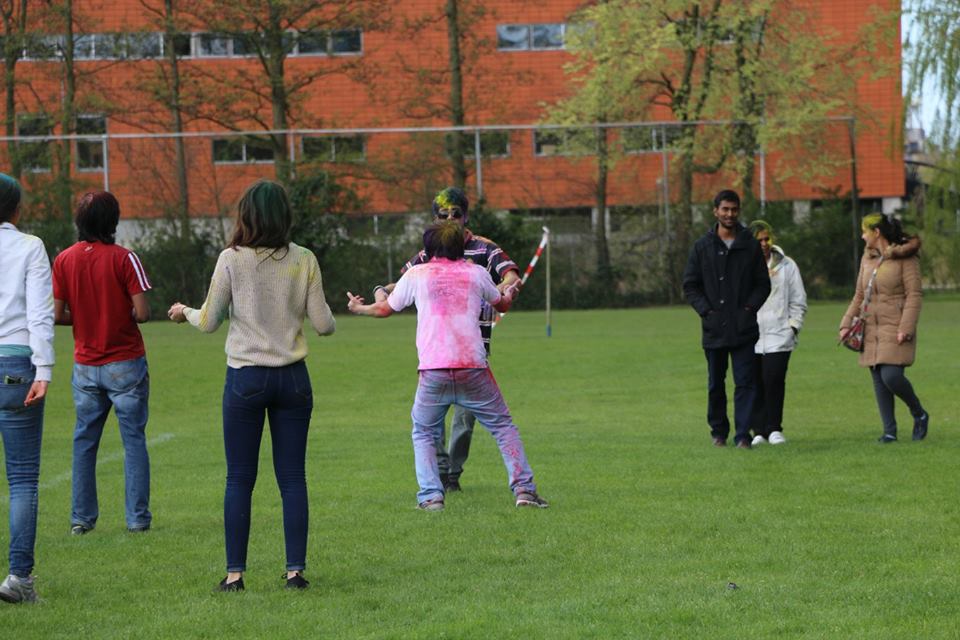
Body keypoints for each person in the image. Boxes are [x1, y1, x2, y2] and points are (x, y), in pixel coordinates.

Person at [167, 180, 335, 592]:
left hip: (245, 377)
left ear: (246, 215)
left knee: (239, 478)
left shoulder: (231, 259)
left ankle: (235, 575)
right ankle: (295, 572)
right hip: (293, 378)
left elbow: (210, 321)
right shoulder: (304, 259)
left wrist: (184, 311)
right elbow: (325, 324)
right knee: (292, 477)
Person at [348, 220, 547, 511]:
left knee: (424, 432)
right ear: (460, 248)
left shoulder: (417, 274)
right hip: (473, 367)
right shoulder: (476, 273)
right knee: (503, 426)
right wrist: (511, 294)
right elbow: (501, 304)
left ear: (428, 248)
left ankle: (431, 497)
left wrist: (358, 308)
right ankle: (524, 490)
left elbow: (384, 309)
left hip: (433, 369)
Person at [373, 187, 520, 492]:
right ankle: (440, 473)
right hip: (437, 350)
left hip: (474, 348)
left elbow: (510, 275)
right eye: (444, 215)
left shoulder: (485, 249)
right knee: (433, 421)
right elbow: (401, 283)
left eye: (456, 213)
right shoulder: (431, 251)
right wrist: (382, 290)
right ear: (435, 218)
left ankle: (452, 473)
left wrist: (495, 290)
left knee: (465, 420)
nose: (451, 219)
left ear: (466, 216)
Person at [52, 192, 153, 536]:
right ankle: (137, 519)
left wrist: (85, 317)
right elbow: (143, 313)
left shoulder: (64, 259)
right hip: (125, 363)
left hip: (85, 365)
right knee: (133, 441)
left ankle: (81, 519)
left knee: (84, 442)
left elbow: (57, 315)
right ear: (114, 221)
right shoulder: (126, 259)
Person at [0, 174, 53, 604]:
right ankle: (19, 578)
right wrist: (44, 369)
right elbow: (39, 315)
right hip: (17, 366)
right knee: (21, 479)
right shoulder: (30, 246)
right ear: (16, 209)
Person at [682, 189, 771, 449]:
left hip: (743, 327)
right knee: (715, 384)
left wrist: (748, 309)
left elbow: (762, 284)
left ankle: (743, 435)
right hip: (714, 328)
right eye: (725, 209)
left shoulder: (750, 245)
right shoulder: (702, 246)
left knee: (745, 383)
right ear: (715, 211)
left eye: (734, 209)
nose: (730, 214)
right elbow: (690, 285)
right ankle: (718, 432)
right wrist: (707, 312)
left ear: (738, 211)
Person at [839, 214, 927, 443]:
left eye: (865, 231)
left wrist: (906, 327)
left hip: (896, 325)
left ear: (876, 232)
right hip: (870, 326)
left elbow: (914, 295)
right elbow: (859, 294)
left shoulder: (906, 258)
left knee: (892, 376)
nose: (862, 236)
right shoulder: (867, 258)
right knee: (878, 377)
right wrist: (846, 323)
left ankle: (919, 413)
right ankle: (889, 431)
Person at [747, 220, 807, 446]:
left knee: (774, 380)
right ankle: (758, 431)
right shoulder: (742, 266)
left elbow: (798, 300)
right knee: (754, 383)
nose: (764, 244)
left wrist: (793, 327)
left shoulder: (787, 265)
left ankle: (774, 429)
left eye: (766, 239)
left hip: (780, 334)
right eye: (759, 240)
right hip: (750, 335)